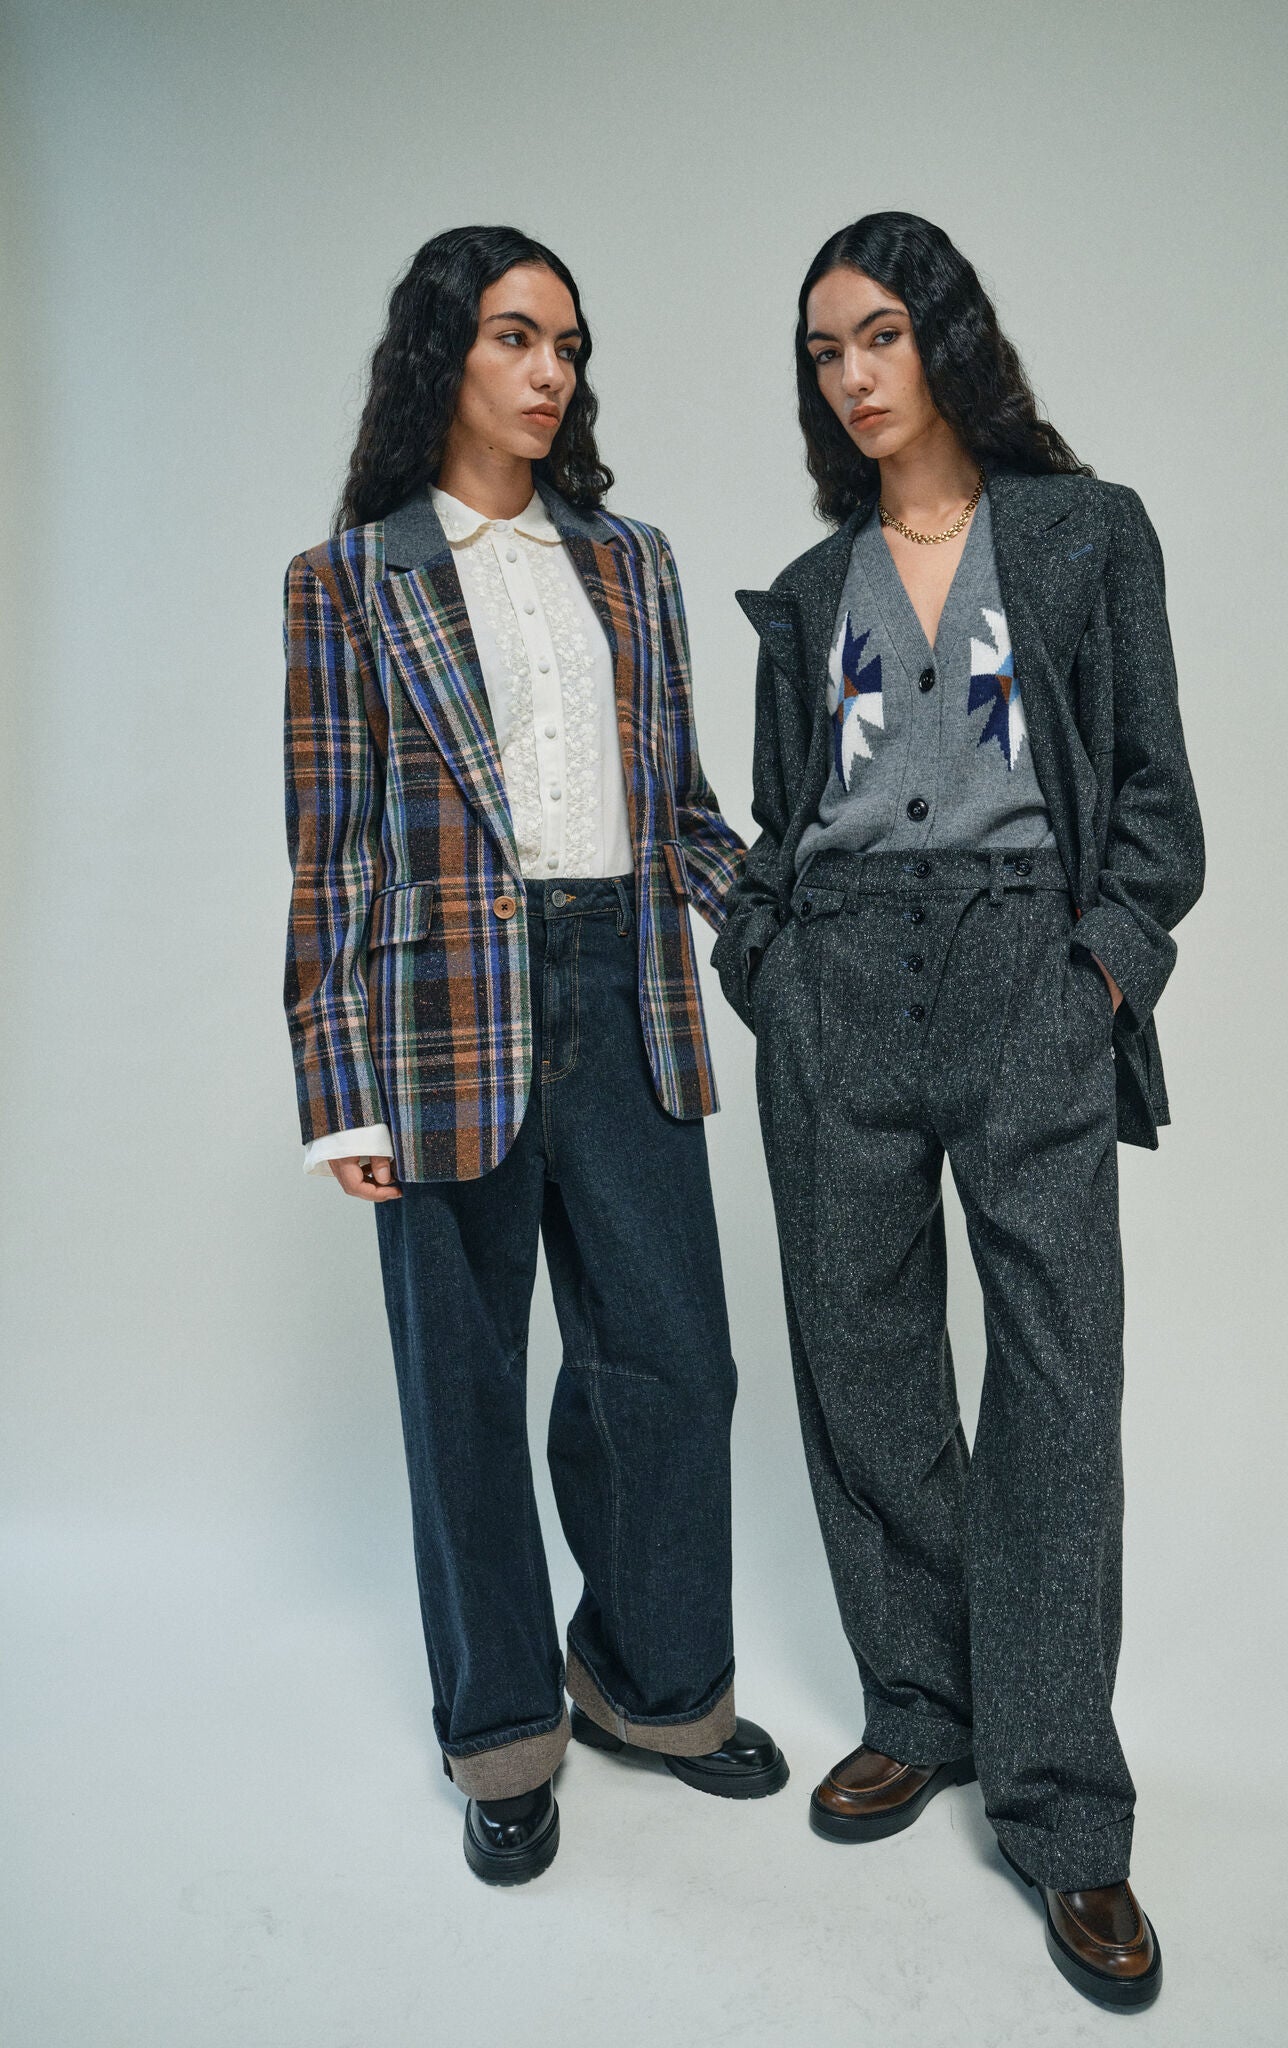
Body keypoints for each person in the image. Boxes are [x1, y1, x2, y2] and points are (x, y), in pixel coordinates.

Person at [713, 212, 1202, 2009]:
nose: (852, 376)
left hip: (1024, 982)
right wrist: (767, 967)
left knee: (1059, 1384)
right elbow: (776, 823)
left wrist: (1095, 981)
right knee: (865, 1361)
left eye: (879, 335)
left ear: (946, 339)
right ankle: (922, 1705)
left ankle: (1064, 1808)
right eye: (823, 351)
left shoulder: (1083, 535)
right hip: (837, 985)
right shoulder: (809, 588)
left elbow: (1154, 802)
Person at [283, 224, 787, 1887]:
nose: (551, 370)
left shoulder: (631, 561)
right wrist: (335, 1084)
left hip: (625, 987)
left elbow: (684, 813)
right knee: (464, 1393)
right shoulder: (345, 580)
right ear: (445, 356)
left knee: (673, 1368)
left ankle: (653, 1685)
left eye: (568, 344)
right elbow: (331, 853)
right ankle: (502, 1732)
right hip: (437, 1024)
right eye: (517, 337)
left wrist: (796, 938)